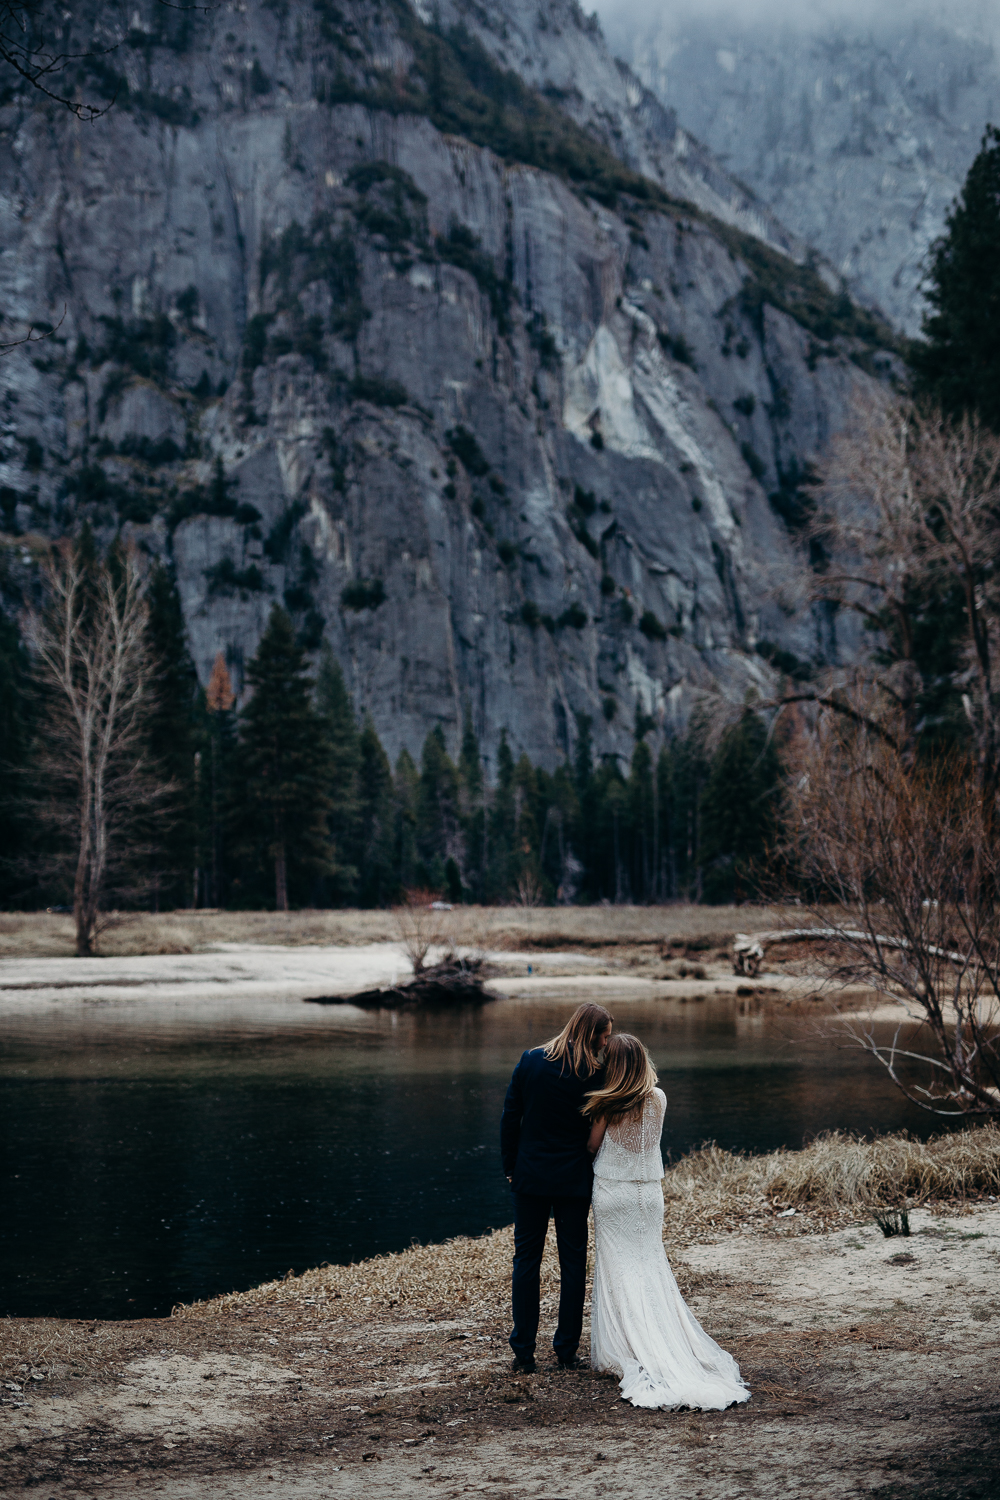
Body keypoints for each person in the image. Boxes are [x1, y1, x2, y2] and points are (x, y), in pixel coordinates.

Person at [584, 1033, 750, 1410]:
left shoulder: (605, 1103)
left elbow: (593, 1146)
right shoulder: (658, 1098)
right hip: (649, 1194)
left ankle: (624, 1346)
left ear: (613, 1066)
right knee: (650, 1264)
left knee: (618, 1268)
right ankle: (663, 1337)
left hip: (614, 1191)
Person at [500, 1002, 613, 1375]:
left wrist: (510, 1168)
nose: (606, 1044)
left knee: (526, 1261)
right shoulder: (597, 1075)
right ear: (592, 1034)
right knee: (573, 1263)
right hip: (572, 1179)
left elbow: (510, 1118)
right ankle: (566, 1351)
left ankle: (524, 1352)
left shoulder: (530, 1060)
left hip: (529, 1177)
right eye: (605, 1036)